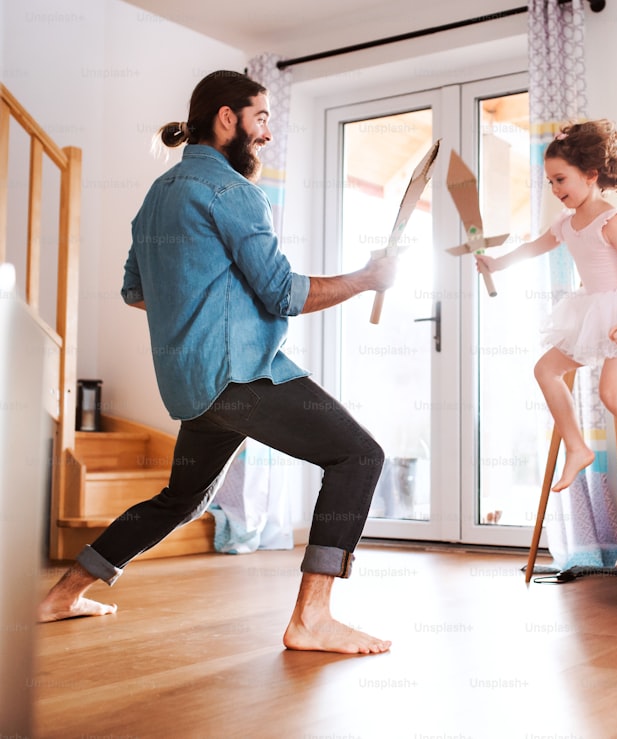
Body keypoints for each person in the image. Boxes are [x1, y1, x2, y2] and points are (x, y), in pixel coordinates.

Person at [37, 70, 395, 655]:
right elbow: (284, 294)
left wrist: (204, 300)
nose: (267, 135)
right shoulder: (235, 192)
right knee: (358, 456)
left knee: (181, 500)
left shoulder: (158, 196)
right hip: (239, 379)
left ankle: (64, 594)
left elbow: (137, 290)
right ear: (226, 118)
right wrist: (365, 278)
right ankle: (312, 618)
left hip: (191, 384)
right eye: (261, 119)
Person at [476, 119, 617, 516]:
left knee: (612, 393)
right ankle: (577, 446)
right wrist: (498, 263)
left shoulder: (611, 221)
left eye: (561, 179)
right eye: (549, 182)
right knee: (545, 371)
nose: (555, 189)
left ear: (591, 175)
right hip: (592, 309)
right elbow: (535, 247)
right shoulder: (566, 224)